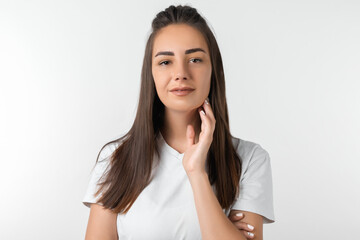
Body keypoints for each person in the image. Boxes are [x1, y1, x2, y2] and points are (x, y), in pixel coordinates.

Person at [83, 4, 275, 240]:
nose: (181, 73)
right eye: (165, 62)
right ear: (150, 74)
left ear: (213, 70)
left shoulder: (249, 159)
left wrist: (196, 173)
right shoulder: (115, 160)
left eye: (195, 59)